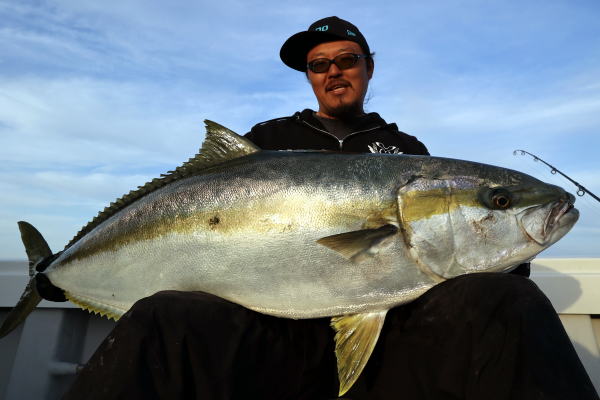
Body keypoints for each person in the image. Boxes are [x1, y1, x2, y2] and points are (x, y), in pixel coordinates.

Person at [63, 17, 599, 400]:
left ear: (368, 67)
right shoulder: (269, 138)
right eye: (319, 65)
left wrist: (505, 254)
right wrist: (57, 275)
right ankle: (57, 272)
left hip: (392, 336)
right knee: (165, 314)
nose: (333, 72)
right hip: (268, 334)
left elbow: (453, 249)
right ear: (310, 76)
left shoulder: (405, 150)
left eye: (347, 60)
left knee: (510, 298)